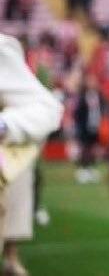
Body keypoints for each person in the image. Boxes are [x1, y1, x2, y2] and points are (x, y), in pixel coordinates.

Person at [0, 34, 64, 276]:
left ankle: (11, 255)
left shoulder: (3, 50)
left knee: (24, 182)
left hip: (12, 151)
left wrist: (4, 125)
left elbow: (47, 108)